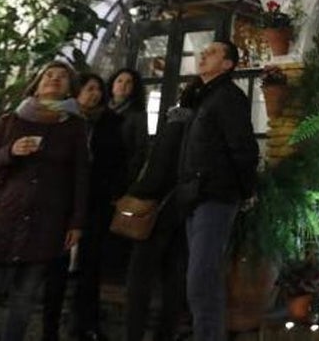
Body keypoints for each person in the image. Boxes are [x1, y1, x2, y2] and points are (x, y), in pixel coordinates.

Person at [0, 61, 89, 341]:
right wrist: (9, 152)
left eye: (62, 77)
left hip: (44, 224)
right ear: (36, 85)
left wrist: (76, 221)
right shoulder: (10, 121)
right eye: (48, 75)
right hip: (0, 222)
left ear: (70, 90)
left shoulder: (75, 128)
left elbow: (80, 178)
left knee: (23, 306)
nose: (54, 79)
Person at [177, 41, 259, 341]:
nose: (202, 55)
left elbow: (243, 147)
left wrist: (245, 189)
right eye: (203, 51)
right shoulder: (203, 97)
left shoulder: (227, 97)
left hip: (216, 196)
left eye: (211, 52)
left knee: (201, 280)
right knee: (201, 279)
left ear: (228, 64)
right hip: (196, 195)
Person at [42, 73, 127, 341]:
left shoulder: (111, 123)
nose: (95, 95)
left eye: (99, 90)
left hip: (96, 201)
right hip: (62, 200)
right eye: (89, 89)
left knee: (91, 266)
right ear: (77, 92)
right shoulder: (61, 119)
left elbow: (119, 160)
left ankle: (85, 323)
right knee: (57, 266)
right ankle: (50, 327)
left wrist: (115, 191)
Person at [124, 80, 204, 341]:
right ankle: (165, 333)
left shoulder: (177, 125)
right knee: (175, 276)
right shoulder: (204, 128)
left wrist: (135, 193)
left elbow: (159, 169)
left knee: (140, 277)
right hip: (186, 210)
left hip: (158, 211)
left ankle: (134, 333)